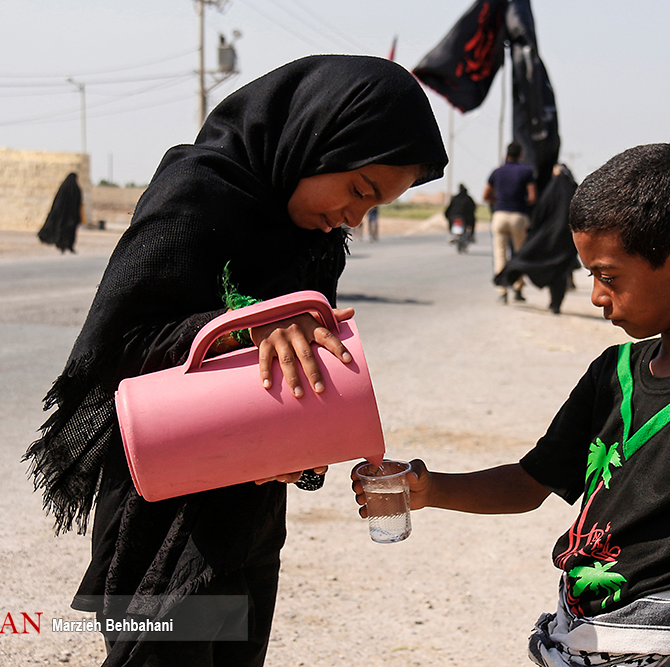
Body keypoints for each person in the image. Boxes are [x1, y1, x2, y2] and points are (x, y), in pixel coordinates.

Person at [24, 55, 447, 667]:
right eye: (358, 190)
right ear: (315, 141)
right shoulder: (196, 196)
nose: (355, 217)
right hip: (161, 508)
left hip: (248, 515)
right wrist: (245, 326)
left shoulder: (317, 242)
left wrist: (303, 454)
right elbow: (115, 347)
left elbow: (301, 374)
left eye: (373, 206)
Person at [355, 144, 670, 667]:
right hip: (581, 640)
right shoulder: (613, 372)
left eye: (608, 276)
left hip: (663, 650)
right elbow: (530, 481)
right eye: (591, 277)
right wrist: (430, 489)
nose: (596, 297)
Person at [495, 164, 580, 314]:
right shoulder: (575, 191)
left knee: (527, 258)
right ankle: (555, 304)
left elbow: (540, 213)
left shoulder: (551, 190)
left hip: (550, 237)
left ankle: (505, 285)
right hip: (568, 239)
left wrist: (534, 231)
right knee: (561, 270)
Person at [485, 141, 537, 303]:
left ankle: (502, 291)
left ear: (506, 154)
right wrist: (521, 203)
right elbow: (532, 197)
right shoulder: (526, 172)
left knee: (500, 254)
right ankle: (518, 288)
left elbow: (486, 196)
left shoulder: (497, 172)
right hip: (518, 217)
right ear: (521, 155)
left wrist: (498, 200)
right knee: (519, 254)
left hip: (500, 216)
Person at [38, 172, 84, 253]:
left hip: (63, 215)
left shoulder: (64, 188)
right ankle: (67, 246)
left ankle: (63, 245)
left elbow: (58, 202)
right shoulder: (76, 189)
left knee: (63, 230)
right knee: (69, 231)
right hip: (71, 216)